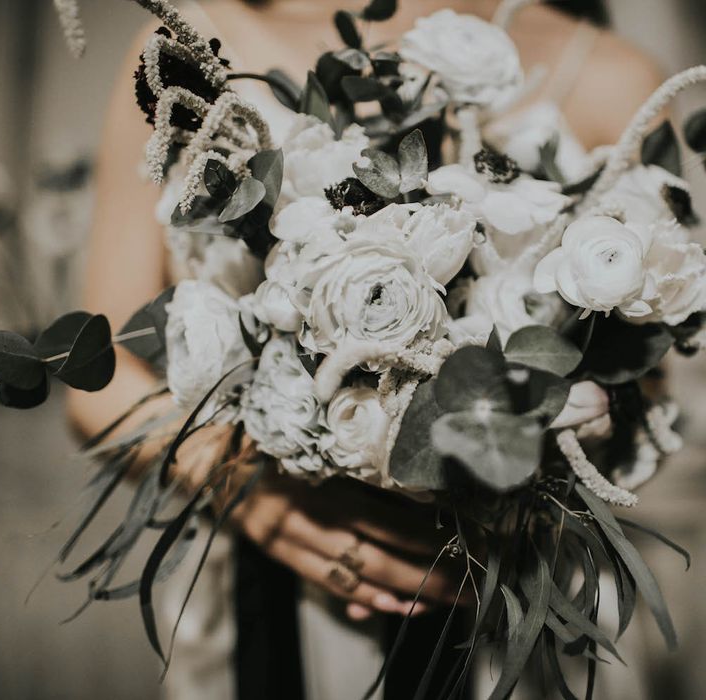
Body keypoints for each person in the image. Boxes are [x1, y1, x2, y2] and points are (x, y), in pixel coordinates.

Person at [67, 1, 664, 698]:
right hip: (261, 593)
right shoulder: (181, 49)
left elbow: (644, 387)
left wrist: (496, 485)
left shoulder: (610, 75)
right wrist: (251, 491)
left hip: (512, 607)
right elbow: (99, 377)